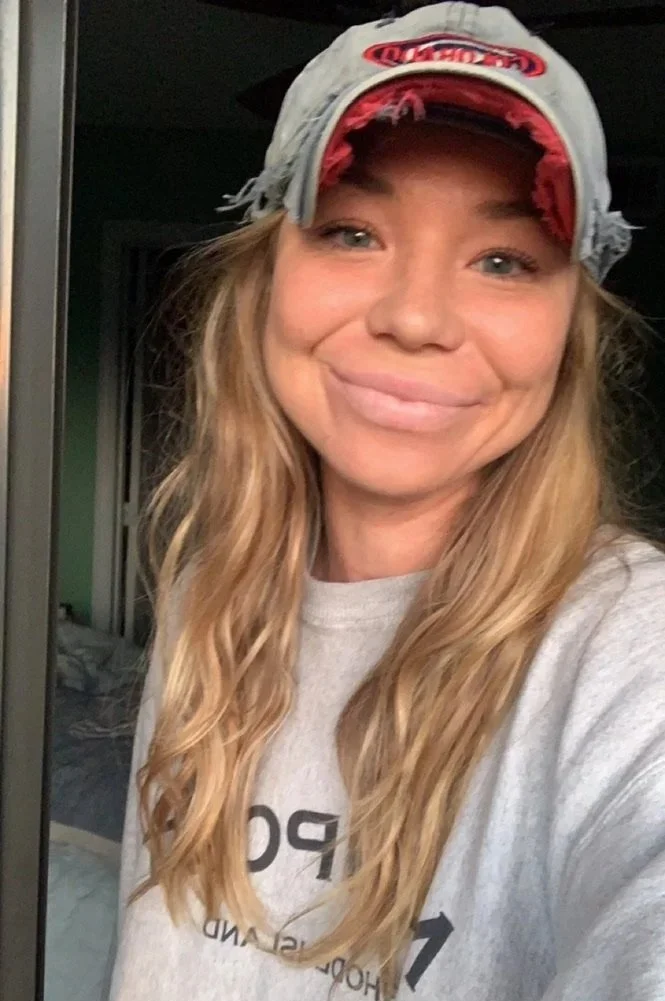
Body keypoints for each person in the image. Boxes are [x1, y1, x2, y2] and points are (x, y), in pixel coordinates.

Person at [107, 3, 665, 1000]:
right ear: (265, 279)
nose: (413, 316)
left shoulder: (625, 652)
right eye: (352, 232)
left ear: (567, 332)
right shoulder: (209, 592)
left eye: (503, 261)